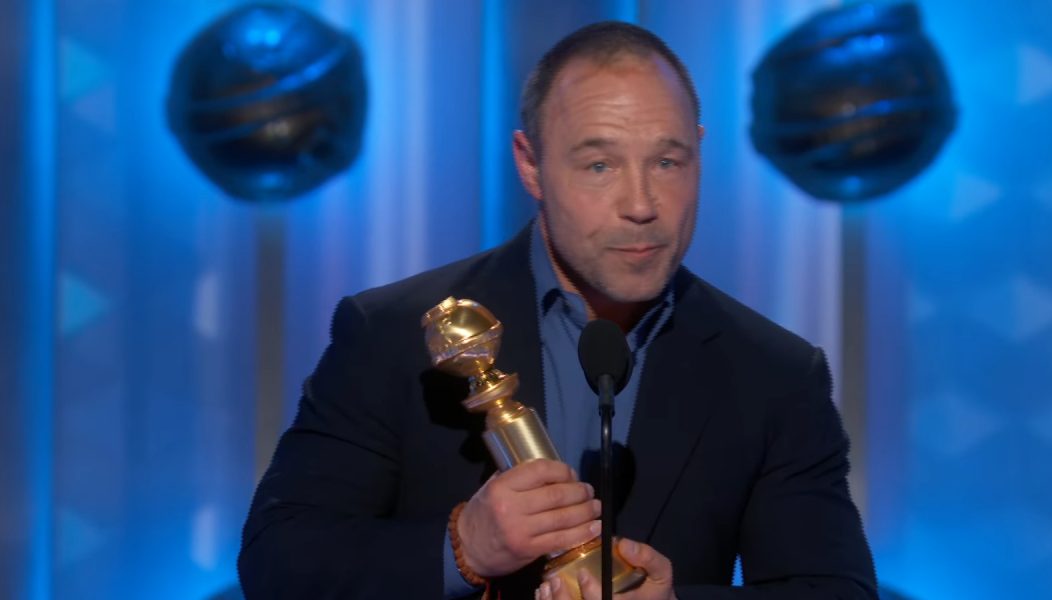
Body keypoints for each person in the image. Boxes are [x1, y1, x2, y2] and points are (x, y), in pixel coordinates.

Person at [238, 21, 876, 600]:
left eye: (667, 161)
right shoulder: (391, 334)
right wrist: (464, 547)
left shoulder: (775, 374)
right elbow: (278, 561)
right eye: (599, 165)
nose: (642, 204)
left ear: (700, 153)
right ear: (530, 164)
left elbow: (835, 591)